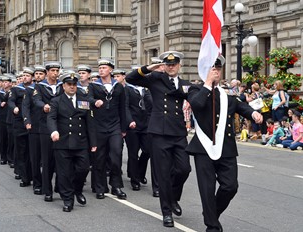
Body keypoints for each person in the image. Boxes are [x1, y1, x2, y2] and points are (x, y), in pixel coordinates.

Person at [186, 55, 263, 232]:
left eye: (218, 69)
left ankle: (210, 213)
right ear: (205, 70)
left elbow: (242, 107)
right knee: (207, 189)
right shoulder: (196, 90)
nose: (216, 72)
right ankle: (212, 226)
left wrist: (253, 114)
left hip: (226, 148)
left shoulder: (227, 94)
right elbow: (196, 105)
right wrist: (207, 84)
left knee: (230, 186)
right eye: (213, 68)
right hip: (204, 148)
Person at [126, 51, 191, 228]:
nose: (171, 67)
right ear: (164, 65)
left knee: (184, 169)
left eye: (174, 64)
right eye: (168, 64)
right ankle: (167, 212)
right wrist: (150, 67)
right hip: (159, 133)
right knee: (163, 174)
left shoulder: (185, 84)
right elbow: (130, 78)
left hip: (178, 133)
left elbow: (199, 98)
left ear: (179, 65)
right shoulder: (155, 78)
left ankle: (173, 198)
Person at [47, 72, 97, 212]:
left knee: (83, 168)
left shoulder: (84, 100)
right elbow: (51, 118)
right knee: (64, 173)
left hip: (81, 142)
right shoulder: (56, 101)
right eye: (69, 84)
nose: (72, 87)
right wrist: (53, 131)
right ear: (63, 86)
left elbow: (90, 122)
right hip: (63, 142)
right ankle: (68, 200)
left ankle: (77, 189)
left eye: (74, 84)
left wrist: (93, 142)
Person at [87, 58, 127, 200]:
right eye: (100, 68)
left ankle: (116, 186)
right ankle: (100, 187)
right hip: (99, 126)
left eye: (104, 68)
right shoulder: (93, 86)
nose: (101, 70)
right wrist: (94, 102)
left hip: (114, 125)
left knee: (116, 155)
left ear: (110, 70)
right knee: (99, 158)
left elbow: (123, 107)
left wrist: (123, 128)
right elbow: (88, 99)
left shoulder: (119, 87)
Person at [33, 61, 64, 202]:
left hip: (60, 126)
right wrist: (43, 106)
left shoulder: (62, 86)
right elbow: (36, 100)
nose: (55, 73)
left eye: (57, 71)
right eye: (52, 70)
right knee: (47, 161)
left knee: (61, 159)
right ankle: (47, 190)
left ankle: (60, 187)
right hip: (45, 127)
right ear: (47, 73)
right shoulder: (40, 86)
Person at [22, 65, 46, 195]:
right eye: (36, 74)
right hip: (35, 127)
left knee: (49, 158)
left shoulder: (50, 89)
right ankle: (37, 183)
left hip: (49, 127)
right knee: (35, 157)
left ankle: (48, 184)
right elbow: (25, 107)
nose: (38, 76)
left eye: (41, 74)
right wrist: (27, 121)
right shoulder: (30, 90)